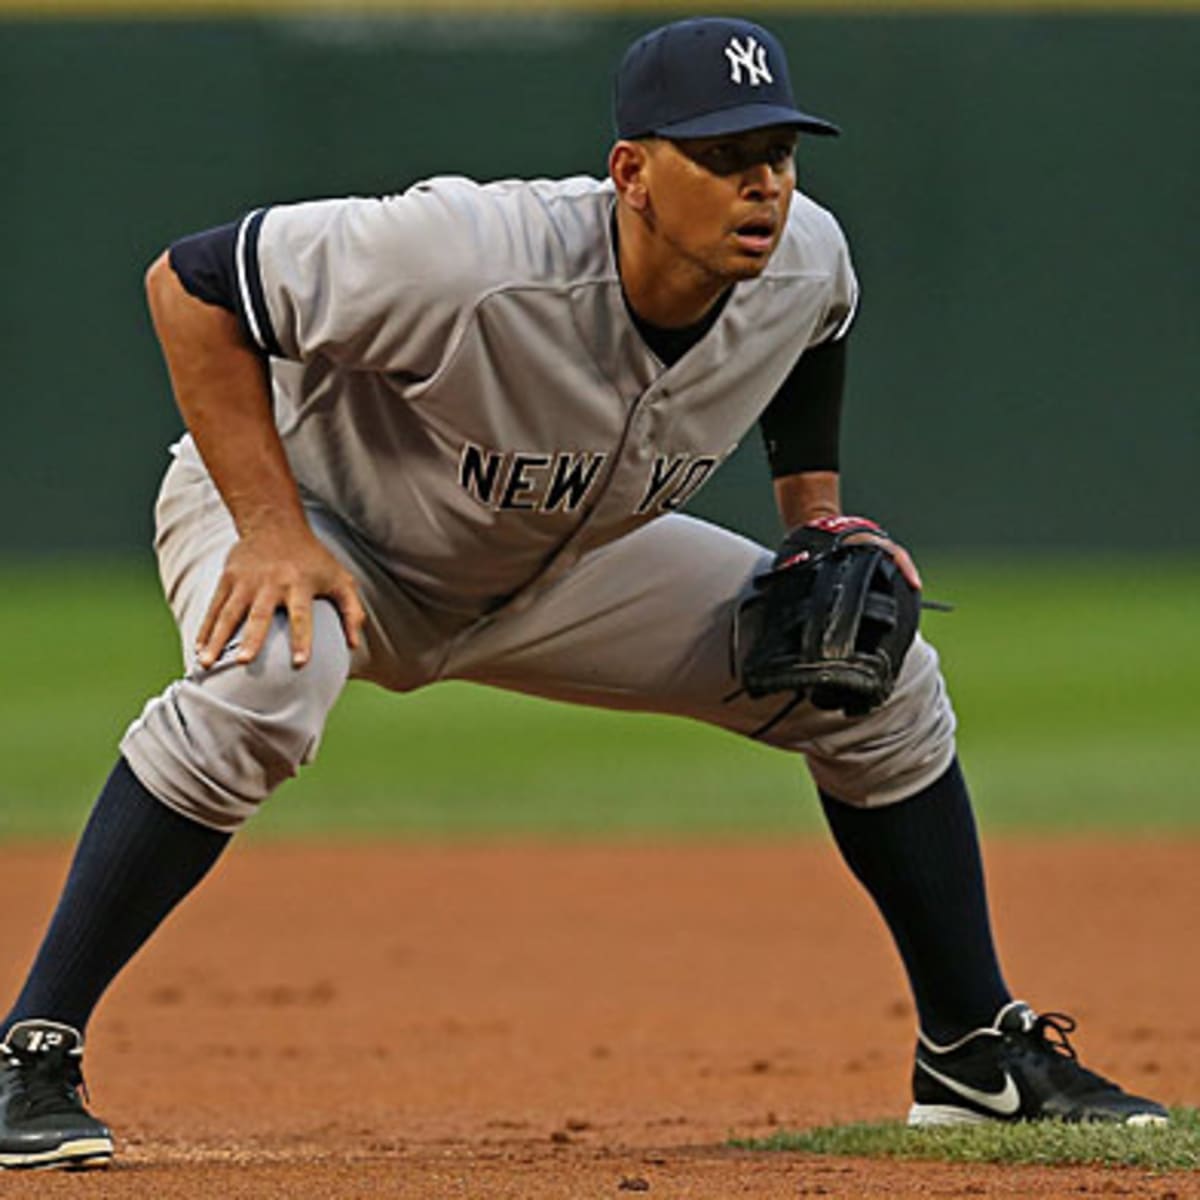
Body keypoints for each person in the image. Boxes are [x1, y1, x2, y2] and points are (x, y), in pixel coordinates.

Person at [0, 15, 1167, 1171]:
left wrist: (816, 520)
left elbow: (823, 328)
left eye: (778, 154)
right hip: (324, 524)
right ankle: (28, 1053)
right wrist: (269, 528)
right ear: (632, 173)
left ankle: (970, 1054)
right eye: (721, 158)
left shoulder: (805, 254)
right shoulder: (466, 255)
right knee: (267, 674)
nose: (760, 186)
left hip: (559, 561)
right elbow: (192, 282)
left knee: (884, 680)